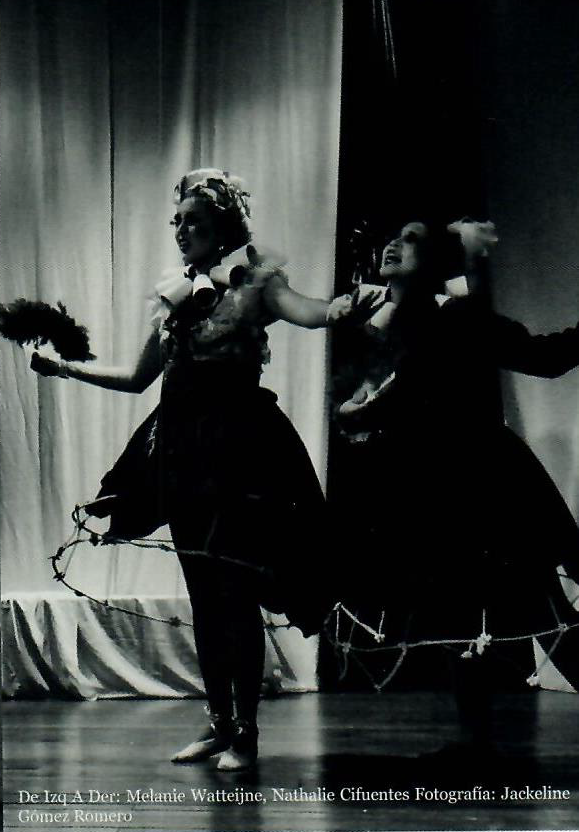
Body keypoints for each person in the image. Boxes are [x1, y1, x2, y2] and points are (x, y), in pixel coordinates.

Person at [31, 168, 380, 771]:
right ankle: (219, 723)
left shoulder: (256, 285)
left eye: (193, 220)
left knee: (234, 593)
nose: (181, 230)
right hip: (182, 455)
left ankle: (246, 732)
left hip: (240, 455)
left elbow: (312, 312)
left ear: (223, 227)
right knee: (204, 594)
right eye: (177, 221)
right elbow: (137, 378)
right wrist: (65, 368)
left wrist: (345, 306)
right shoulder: (174, 298)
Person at [333, 218, 579, 753]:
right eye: (394, 236)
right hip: (434, 491)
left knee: (540, 612)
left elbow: (542, 358)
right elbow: (386, 394)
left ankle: (477, 740)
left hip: (487, 490)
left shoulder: (457, 317)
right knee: (457, 618)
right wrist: (358, 410)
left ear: (436, 263)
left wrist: (363, 412)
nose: (393, 244)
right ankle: (475, 741)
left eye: (412, 239)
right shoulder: (388, 323)